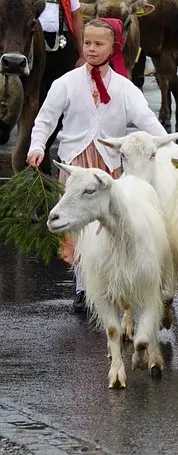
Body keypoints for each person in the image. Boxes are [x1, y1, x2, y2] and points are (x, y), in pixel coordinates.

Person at [26, 19, 169, 314]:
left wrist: (171, 147)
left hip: (108, 169)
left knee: (106, 228)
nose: (91, 49)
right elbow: (45, 119)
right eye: (87, 43)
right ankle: (83, 287)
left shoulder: (125, 88)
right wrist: (37, 146)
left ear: (114, 47)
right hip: (75, 166)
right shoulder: (65, 83)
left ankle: (113, 283)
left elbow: (147, 121)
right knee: (79, 227)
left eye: (99, 44)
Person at [4, 0, 84, 114]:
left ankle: (49, 137)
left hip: (59, 44)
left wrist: (82, 53)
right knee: (31, 95)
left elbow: (76, 15)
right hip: (27, 45)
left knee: (60, 96)